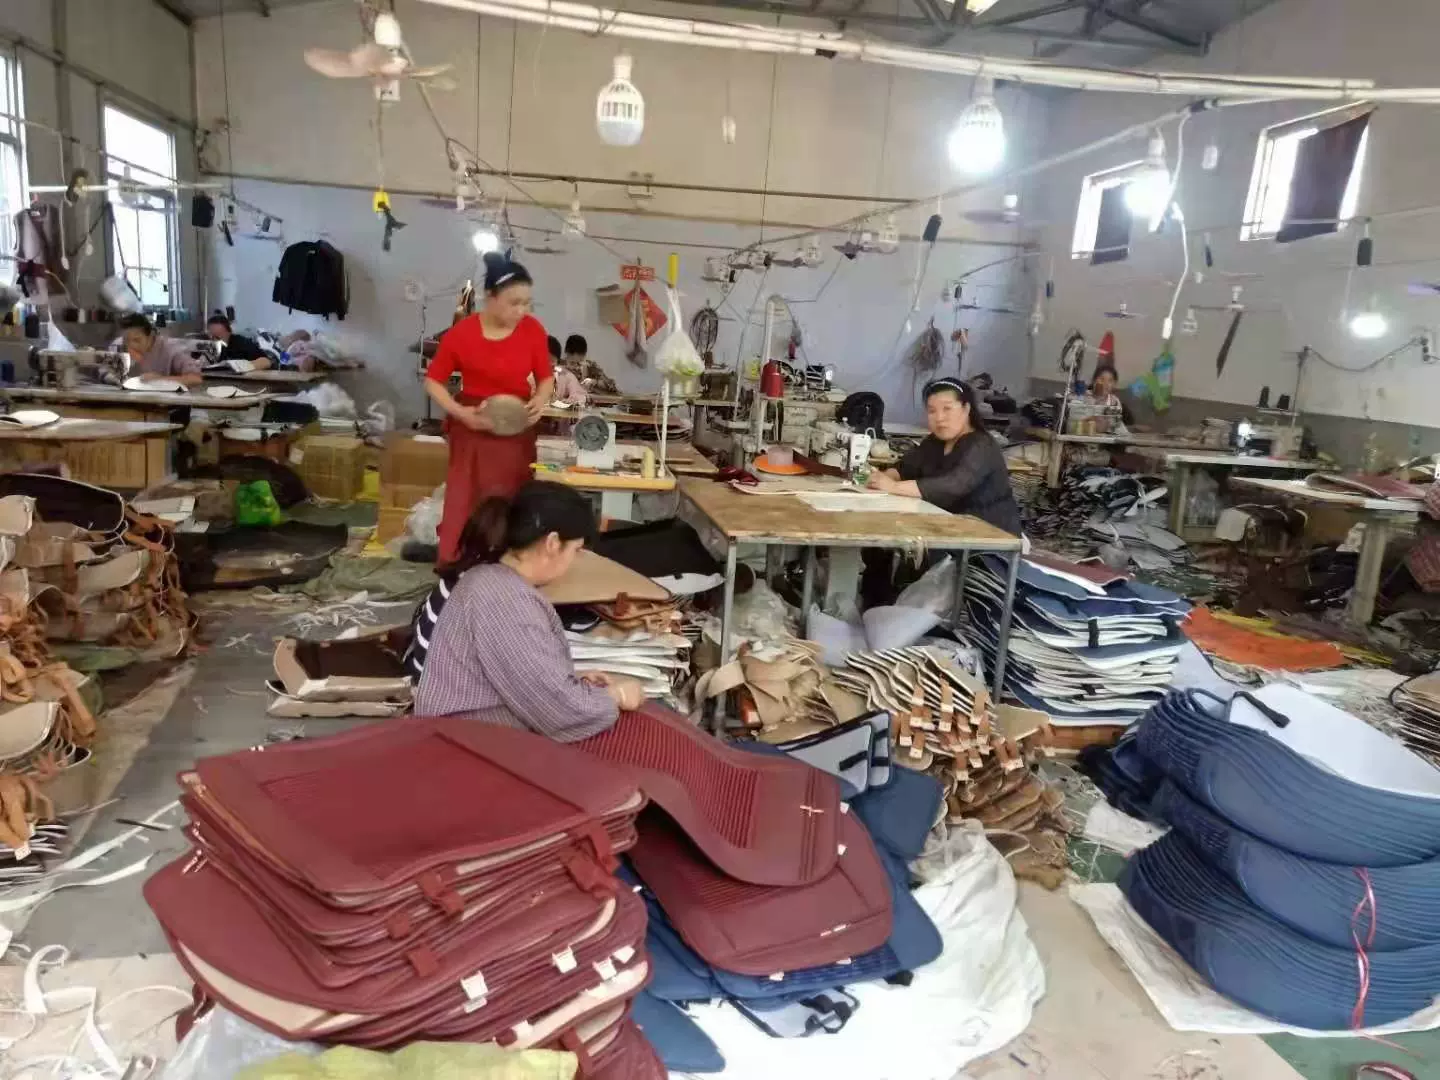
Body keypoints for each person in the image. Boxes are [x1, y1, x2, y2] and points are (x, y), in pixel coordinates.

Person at [414, 481, 643, 740]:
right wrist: (616, 695)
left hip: (463, 733)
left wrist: (570, 679)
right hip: (467, 745)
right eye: (576, 550)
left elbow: (517, 672)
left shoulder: (493, 578)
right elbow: (558, 712)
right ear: (553, 543)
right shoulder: (505, 599)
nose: (575, 561)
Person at [424, 251, 556, 565]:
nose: (522, 311)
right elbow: (433, 382)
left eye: (527, 303)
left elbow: (546, 377)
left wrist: (540, 398)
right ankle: (456, 564)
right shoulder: (462, 333)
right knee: (465, 499)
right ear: (490, 297)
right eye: (514, 303)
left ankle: (507, 565)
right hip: (473, 427)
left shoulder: (533, 330)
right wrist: (461, 414)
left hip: (516, 429)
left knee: (511, 497)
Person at [867, 377, 1021, 534]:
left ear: (966, 409)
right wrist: (884, 477)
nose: (939, 418)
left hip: (990, 535)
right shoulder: (934, 442)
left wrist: (893, 487)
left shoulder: (981, 445)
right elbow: (904, 468)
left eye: (947, 409)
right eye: (932, 411)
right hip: (947, 527)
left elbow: (953, 485)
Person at [116, 314, 203, 386]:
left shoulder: (171, 350)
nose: (131, 346)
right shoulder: (122, 348)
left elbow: (195, 378)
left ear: (151, 336)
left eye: (137, 340)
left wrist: (159, 379)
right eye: (126, 341)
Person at [206, 313, 273, 369]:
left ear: (229, 332)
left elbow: (266, 362)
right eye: (211, 337)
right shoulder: (211, 347)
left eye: (218, 337)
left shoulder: (242, 343)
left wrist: (240, 366)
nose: (214, 340)